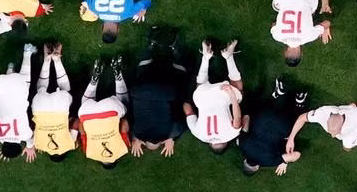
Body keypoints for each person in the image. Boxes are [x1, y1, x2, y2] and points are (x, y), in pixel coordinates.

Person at [130, 26, 188, 158]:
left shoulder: (170, 132)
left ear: (162, 142)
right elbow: (127, 123)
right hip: (142, 91)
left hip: (165, 92)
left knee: (182, 79)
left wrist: (171, 138)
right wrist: (135, 138)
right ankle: (151, 45)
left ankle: (174, 48)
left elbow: (182, 125)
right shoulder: (136, 131)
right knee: (142, 71)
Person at [183, 39, 244, 153]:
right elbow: (188, 110)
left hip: (224, 94)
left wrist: (232, 95)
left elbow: (238, 118)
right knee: (199, 91)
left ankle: (228, 56)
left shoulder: (231, 135)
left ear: (225, 144)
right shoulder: (199, 135)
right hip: (203, 95)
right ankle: (205, 57)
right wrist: (191, 100)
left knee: (239, 92)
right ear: (210, 144)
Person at [238, 77, 306, 176]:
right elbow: (246, 120)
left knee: (290, 128)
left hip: (283, 125)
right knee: (259, 111)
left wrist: (284, 162)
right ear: (245, 160)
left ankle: (299, 102)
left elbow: (297, 155)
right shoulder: (242, 145)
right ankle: (278, 94)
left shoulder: (269, 161)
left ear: (257, 167)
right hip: (264, 116)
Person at [77, 57, 130, 168]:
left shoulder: (122, 150)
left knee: (125, 105)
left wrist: (118, 120)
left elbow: (124, 124)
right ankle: (94, 80)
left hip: (110, 108)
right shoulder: (89, 153)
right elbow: (81, 129)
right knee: (84, 107)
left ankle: (118, 74)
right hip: (87, 114)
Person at [0, 44, 38, 163]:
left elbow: (30, 140)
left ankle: (27, 52)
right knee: (4, 97)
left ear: (20, 146)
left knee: (24, 82)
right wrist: (6, 148)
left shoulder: (24, 135)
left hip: (17, 86)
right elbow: (2, 139)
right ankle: (9, 71)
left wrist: (30, 147)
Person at [286, 92, 357, 153]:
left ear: (342, 126)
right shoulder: (322, 113)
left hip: (353, 128)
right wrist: (291, 139)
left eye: (334, 133)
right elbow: (301, 118)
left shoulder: (353, 118)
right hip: (345, 111)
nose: (332, 136)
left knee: (347, 148)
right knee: (352, 108)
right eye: (331, 132)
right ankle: (351, 107)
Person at [31, 42, 79, 161]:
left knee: (66, 91)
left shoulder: (70, 145)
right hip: (40, 108)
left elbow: (77, 123)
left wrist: (69, 121)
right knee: (40, 90)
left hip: (60, 108)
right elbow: (32, 129)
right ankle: (47, 60)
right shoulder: (38, 144)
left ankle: (56, 60)